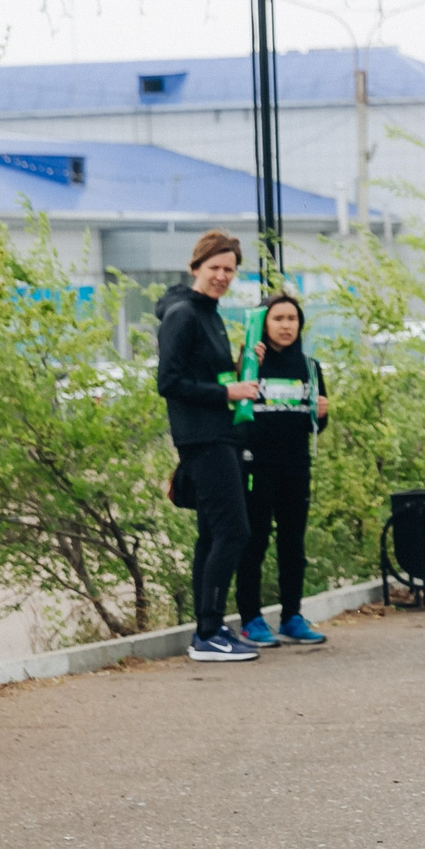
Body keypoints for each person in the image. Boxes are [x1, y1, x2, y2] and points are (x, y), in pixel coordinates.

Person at [156, 232, 263, 663]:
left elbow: (208, 375)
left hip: (219, 435)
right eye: (214, 268)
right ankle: (208, 632)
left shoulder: (211, 314)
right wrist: (229, 393)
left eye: (229, 270)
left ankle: (210, 627)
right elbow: (169, 382)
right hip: (203, 439)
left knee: (211, 535)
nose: (221, 276)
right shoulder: (183, 314)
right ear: (195, 266)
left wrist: (241, 366)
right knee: (234, 532)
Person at [234, 293, 331, 647]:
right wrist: (247, 363)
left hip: (296, 466)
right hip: (255, 466)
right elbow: (233, 414)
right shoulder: (248, 366)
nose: (286, 325)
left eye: (292, 319)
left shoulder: (309, 367)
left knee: (293, 544)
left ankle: (292, 615)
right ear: (264, 324)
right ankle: (251, 620)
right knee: (253, 543)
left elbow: (316, 425)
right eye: (278, 318)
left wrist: (322, 415)